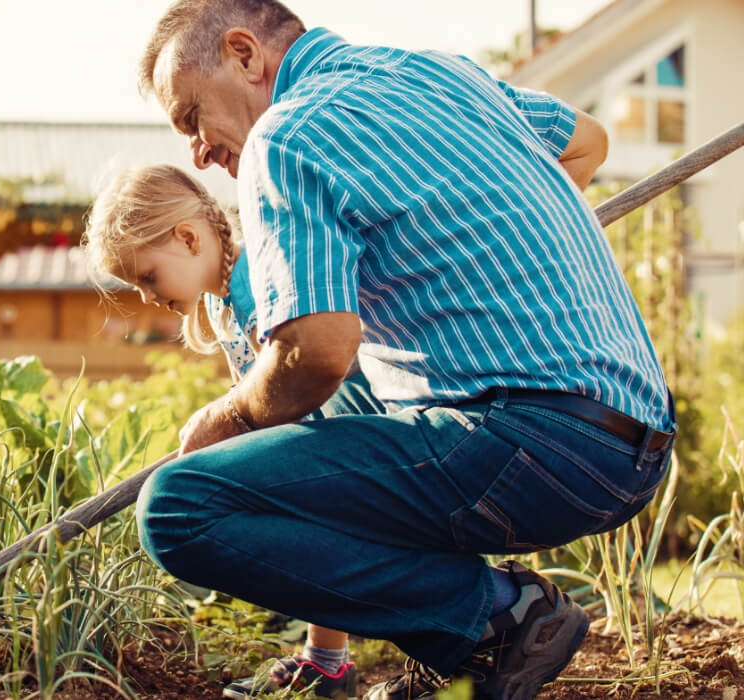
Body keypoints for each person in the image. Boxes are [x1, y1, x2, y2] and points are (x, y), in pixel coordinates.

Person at [130, 2, 677, 699]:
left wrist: (230, 420)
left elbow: (317, 353)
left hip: (527, 443)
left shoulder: (287, 136)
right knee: (368, 424)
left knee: (180, 506)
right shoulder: (449, 78)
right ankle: (472, 649)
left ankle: (497, 620)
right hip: (634, 446)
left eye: (190, 118)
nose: (198, 152)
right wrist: (488, 231)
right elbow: (586, 141)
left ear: (244, 54)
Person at [84, 163, 358, 700]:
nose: (144, 297)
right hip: (317, 435)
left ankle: (330, 662)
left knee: (288, 515)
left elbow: (289, 390)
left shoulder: (255, 283)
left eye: (145, 277)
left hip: (343, 430)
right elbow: (252, 402)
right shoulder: (221, 298)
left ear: (187, 238)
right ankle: (328, 663)